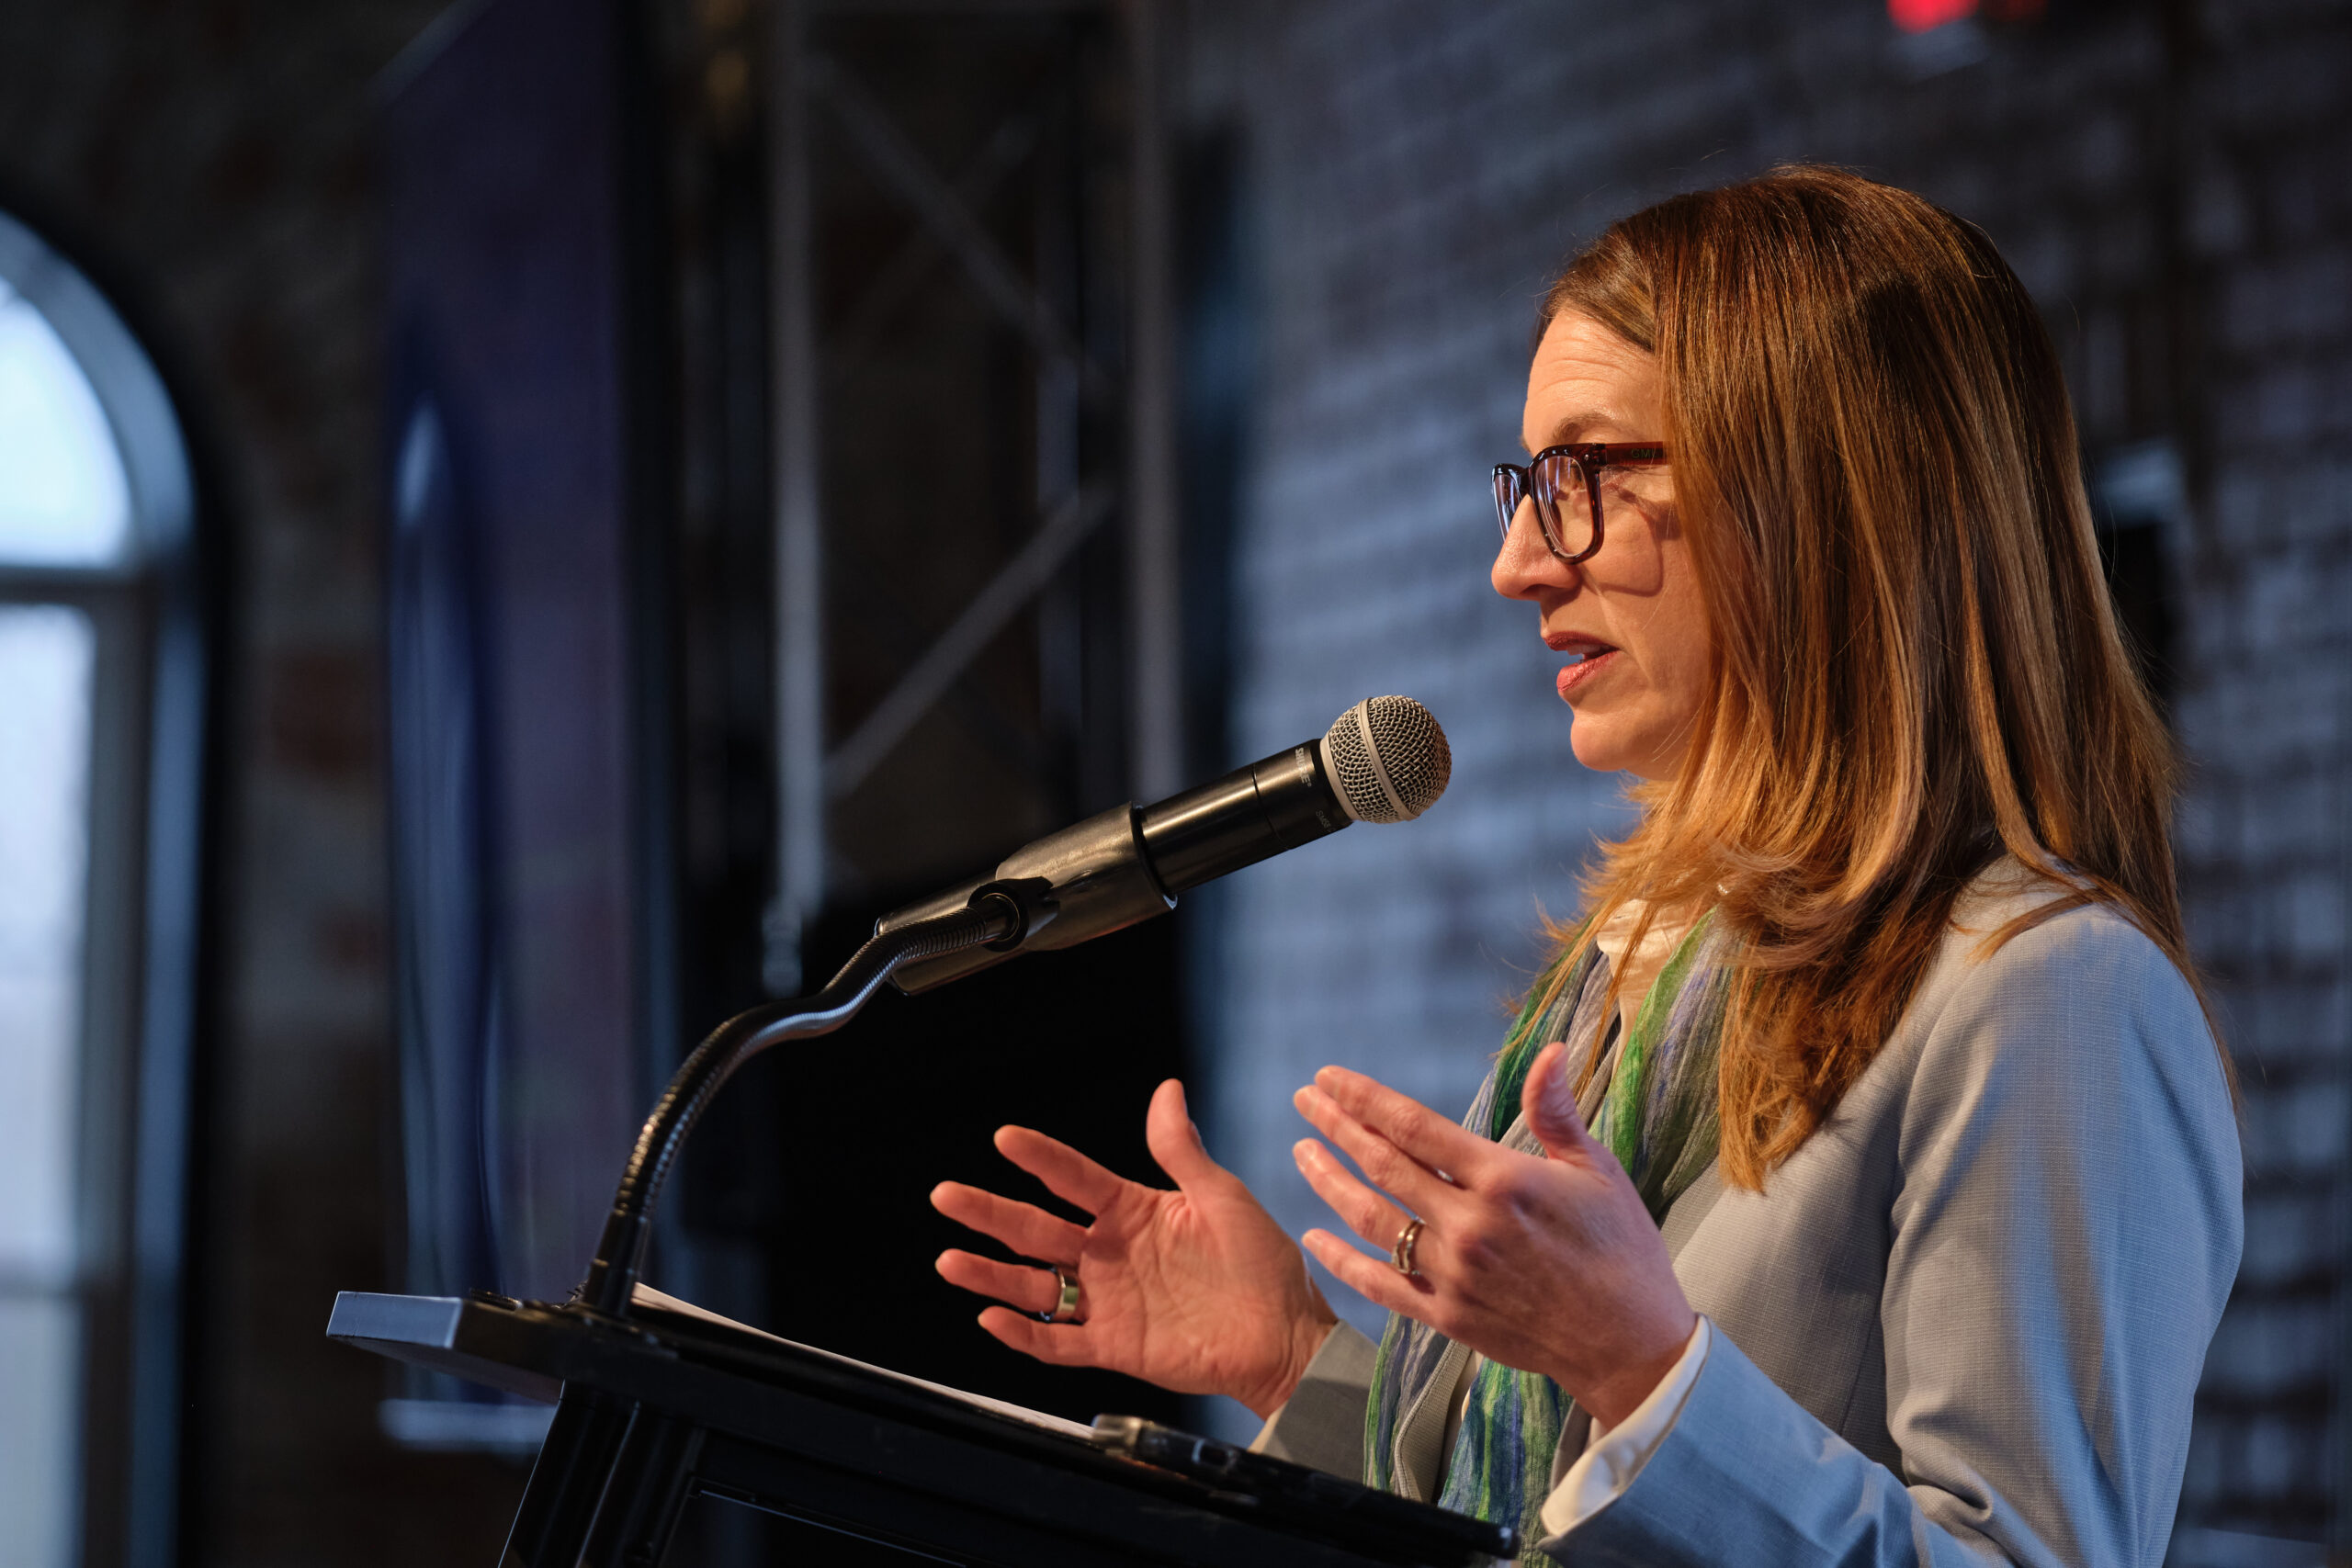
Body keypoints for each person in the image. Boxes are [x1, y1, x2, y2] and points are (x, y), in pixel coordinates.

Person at [929, 165, 2242, 1567]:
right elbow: (1537, 1516)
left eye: (1585, 477)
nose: (1517, 564)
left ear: (1810, 496)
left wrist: (1644, 1371)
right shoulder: (1651, 975)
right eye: (1525, 484)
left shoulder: (2050, 993)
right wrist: (1298, 1364)